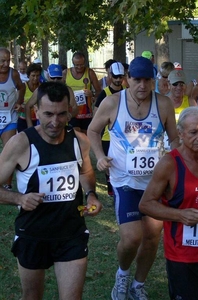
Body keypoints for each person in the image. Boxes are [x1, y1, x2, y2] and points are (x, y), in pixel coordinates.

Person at [87, 56, 179, 300]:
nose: (142, 85)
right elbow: (93, 130)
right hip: (124, 180)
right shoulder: (112, 103)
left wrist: (176, 160)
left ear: (153, 81)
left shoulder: (164, 104)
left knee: (151, 239)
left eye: (147, 80)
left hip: (155, 183)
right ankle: (123, 274)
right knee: (131, 239)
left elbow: (175, 139)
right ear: (127, 79)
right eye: (136, 79)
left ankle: (138, 284)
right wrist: (100, 156)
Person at [0, 81, 102, 299]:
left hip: (71, 234)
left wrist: (91, 194)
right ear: (36, 111)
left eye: (61, 114)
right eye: (48, 114)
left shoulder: (79, 141)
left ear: (69, 112)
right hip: (33, 234)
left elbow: (85, 172)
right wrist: (19, 198)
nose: (55, 122)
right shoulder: (21, 144)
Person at [139, 106, 198, 300]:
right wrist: (179, 215)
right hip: (182, 257)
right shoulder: (169, 164)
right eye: (193, 132)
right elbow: (146, 204)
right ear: (180, 133)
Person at [93, 62, 126, 197]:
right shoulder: (104, 94)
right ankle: (111, 192)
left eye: (120, 77)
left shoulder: (126, 92)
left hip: (124, 136)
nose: (118, 80)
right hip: (107, 137)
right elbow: (95, 115)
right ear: (110, 75)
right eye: (115, 76)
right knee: (109, 166)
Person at [0, 47, 26, 190]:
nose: (5, 64)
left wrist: (19, 102)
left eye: (8, 60)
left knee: (8, 150)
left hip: (9, 117)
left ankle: (7, 184)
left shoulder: (14, 74)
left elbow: (21, 88)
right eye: (2, 61)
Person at [63, 51, 102, 134]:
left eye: (81, 64)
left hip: (86, 112)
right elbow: (60, 91)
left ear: (85, 62)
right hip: (72, 111)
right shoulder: (66, 73)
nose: (79, 67)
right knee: (75, 134)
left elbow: (99, 91)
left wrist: (92, 95)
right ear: (72, 63)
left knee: (86, 137)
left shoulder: (90, 73)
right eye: (76, 65)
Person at [18, 63, 42, 132]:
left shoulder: (42, 87)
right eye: (33, 75)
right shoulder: (23, 86)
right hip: (23, 120)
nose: (35, 78)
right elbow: (18, 102)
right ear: (28, 75)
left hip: (38, 120)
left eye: (37, 75)